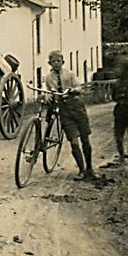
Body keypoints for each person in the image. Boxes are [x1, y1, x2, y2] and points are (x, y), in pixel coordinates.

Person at [44, 50, 96, 181]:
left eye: (58, 61)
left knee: (85, 138)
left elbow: (79, 88)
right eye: (53, 61)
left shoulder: (70, 75)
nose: (56, 64)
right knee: (73, 140)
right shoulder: (49, 78)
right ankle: (81, 169)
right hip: (64, 111)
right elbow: (50, 91)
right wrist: (49, 96)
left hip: (77, 108)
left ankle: (90, 168)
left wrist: (72, 91)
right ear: (49, 63)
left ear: (63, 62)